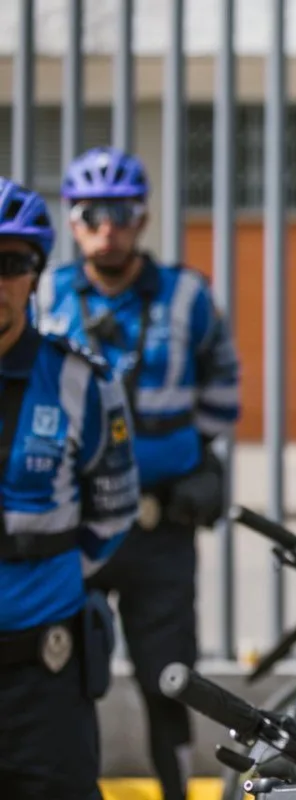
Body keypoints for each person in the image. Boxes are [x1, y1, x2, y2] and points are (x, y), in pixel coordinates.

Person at [37, 146, 243, 800]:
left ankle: (177, 791)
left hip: (162, 524)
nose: (108, 226)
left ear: (142, 217)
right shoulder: (46, 297)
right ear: (72, 221)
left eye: (120, 213)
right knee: (69, 672)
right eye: (92, 213)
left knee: (167, 677)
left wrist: (189, 455)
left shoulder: (188, 295)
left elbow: (223, 383)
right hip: (73, 525)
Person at [0, 177, 140, 798]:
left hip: (45, 679)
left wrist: (41, 574)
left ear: (35, 273)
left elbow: (112, 512)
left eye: (9, 264)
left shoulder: (84, 383)